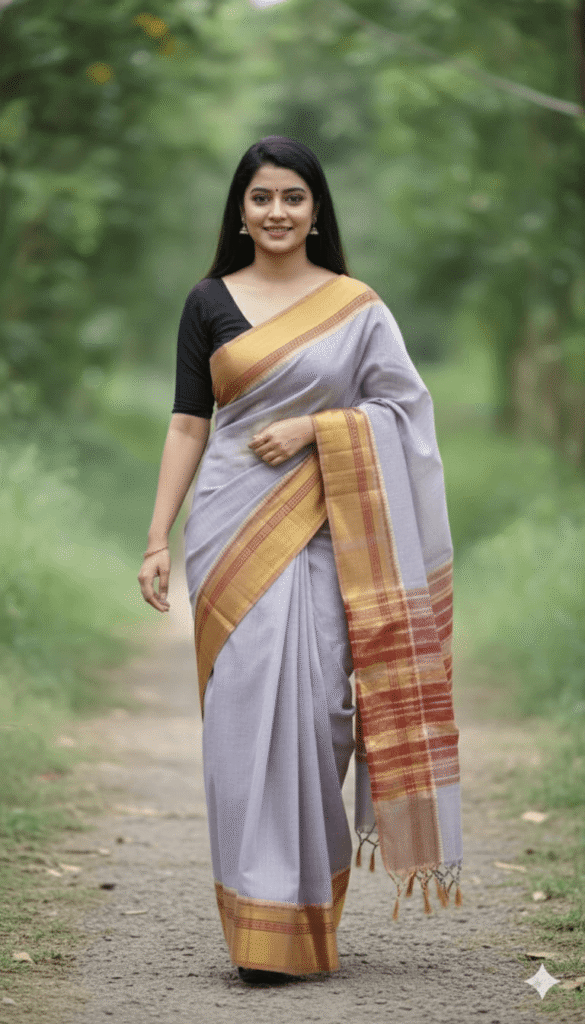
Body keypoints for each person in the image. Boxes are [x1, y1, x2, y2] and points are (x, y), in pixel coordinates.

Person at [138, 136, 463, 985]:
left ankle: (309, 915)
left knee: (322, 718)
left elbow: (402, 409)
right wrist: (155, 537)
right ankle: (257, 931)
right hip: (226, 530)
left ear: (316, 211)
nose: (276, 212)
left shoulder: (355, 307)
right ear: (239, 213)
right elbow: (187, 423)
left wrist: (320, 431)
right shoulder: (207, 301)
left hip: (331, 536)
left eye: (292, 197)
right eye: (260, 198)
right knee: (243, 725)